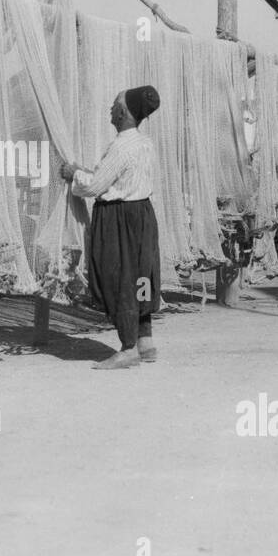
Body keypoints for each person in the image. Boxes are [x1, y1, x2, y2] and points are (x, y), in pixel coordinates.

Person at [59, 86, 162, 371]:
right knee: (142, 275)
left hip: (119, 219)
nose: (111, 108)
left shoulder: (121, 146)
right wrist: (87, 173)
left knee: (119, 277)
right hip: (142, 215)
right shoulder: (144, 143)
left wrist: (73, 174)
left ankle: (128, 348)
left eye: (115, 104)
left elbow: (95, 186)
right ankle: (145, 341)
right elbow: (117, 179)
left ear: (124, 112)